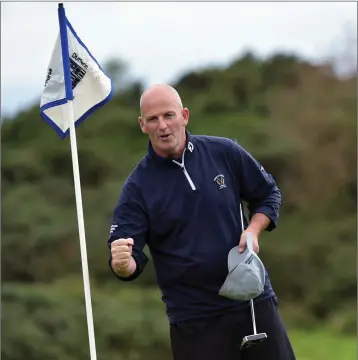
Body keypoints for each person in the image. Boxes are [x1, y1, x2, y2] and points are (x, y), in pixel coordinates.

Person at [107, 84, 296, 360]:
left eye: (169, 115)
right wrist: (122, 264)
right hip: (194, 319)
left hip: (252, 302)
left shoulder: (224, 152)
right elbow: (127, 259)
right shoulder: (137, 187)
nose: (162, 126)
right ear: (142, 125)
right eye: (153, 119)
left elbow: (268, 194)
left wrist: (253, 230)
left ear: (184, 115)